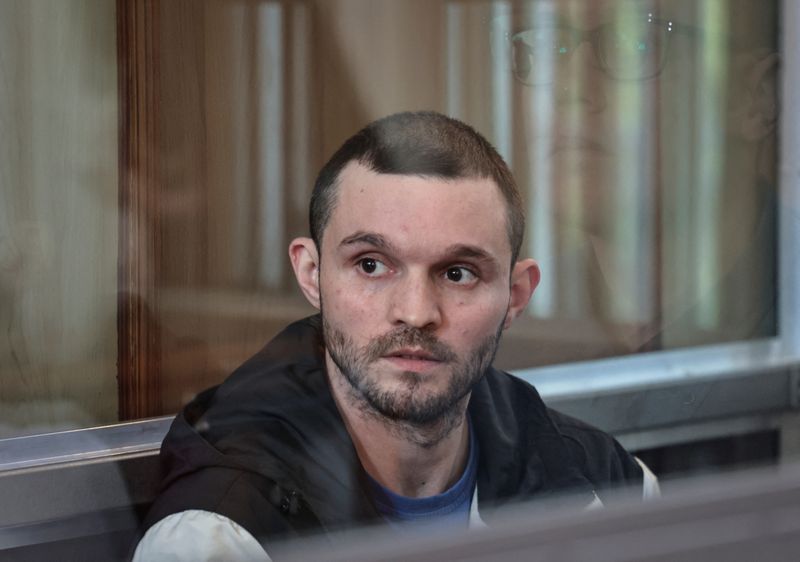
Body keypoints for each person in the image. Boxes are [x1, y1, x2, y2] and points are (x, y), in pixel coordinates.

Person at [133, 111, 657, 560]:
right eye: (370, 264)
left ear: (516, 297)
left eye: (458, 273)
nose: (415, 312)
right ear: (312, 275)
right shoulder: (219, 534)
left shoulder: (602, 483)